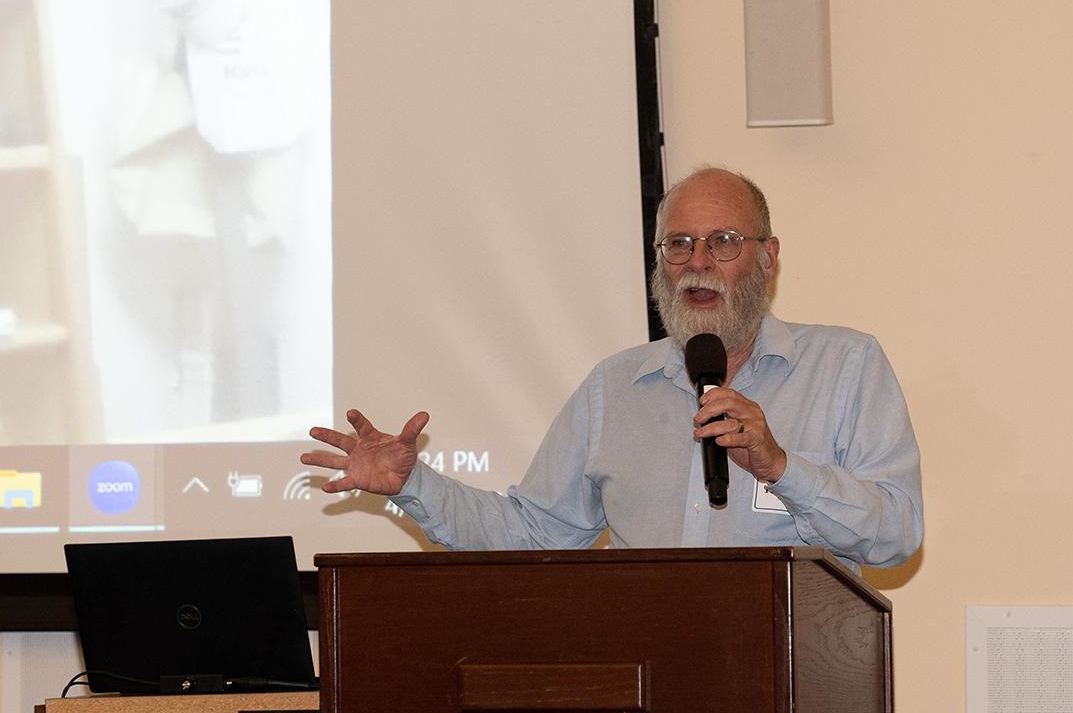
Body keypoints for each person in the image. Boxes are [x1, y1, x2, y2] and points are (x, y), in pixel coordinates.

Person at [302, 167, 923, 572]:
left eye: (724, 241)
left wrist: (781, 467)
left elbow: (895, 533)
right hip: (646, 671)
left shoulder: (845, 364)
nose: (697, 262)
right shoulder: (614, 387)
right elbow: (535, 533)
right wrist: (415, 483)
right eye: (678, 244)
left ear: (768, 257)